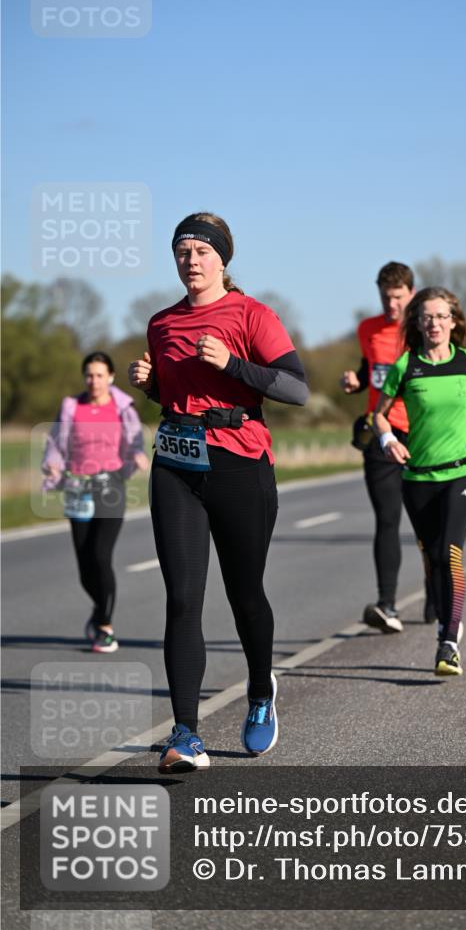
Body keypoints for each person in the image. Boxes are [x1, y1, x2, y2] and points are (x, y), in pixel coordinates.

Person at [129, 211, 308, 773]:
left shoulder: (252, 314)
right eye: (182, 250)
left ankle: (260, 691)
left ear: (223, 260)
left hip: (240, 463)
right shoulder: (161, 325)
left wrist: (233, 363)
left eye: (202, 251)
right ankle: (185, 734)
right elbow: (179, 395)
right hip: (176, 465)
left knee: (244, 593)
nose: (191, 260)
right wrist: (153, 385)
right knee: (182, 599)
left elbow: (296, 389)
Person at [373, 287, 466, 676]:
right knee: (433, 558)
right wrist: (386, 440)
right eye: (427, 317)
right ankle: (445, 618)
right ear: (417, 323)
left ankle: (447, 643)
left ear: (454, 321)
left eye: (441, 316)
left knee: (451, 551)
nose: (434, 323)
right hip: (417, 476)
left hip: (462, 471)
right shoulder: (406, 366)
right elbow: (380, 415)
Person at [42, 352, 148, 652]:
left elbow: (135, 441)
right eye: (89, 375)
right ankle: (99, 612)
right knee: (85, 566)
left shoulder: (121, 407)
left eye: (100, 375)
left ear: (111, 377)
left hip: (110, 486)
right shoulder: (72, 406)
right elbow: (55, 443)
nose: (94, 380)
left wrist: (137, 456)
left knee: (101, 556)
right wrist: (51, 463)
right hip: (78, 487)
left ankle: (104, 624)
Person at [340, 262, 419, 632]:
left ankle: (437, 594)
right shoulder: (367, 330)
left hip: (422, 434)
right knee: (387, 519)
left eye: (398, 298)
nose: (392, 305)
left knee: (427, 523)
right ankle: (388, 604)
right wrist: (354, 382)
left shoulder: (426, 328)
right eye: (386, 298)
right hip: (381, 434)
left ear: (412, 294)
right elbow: (368, 371)